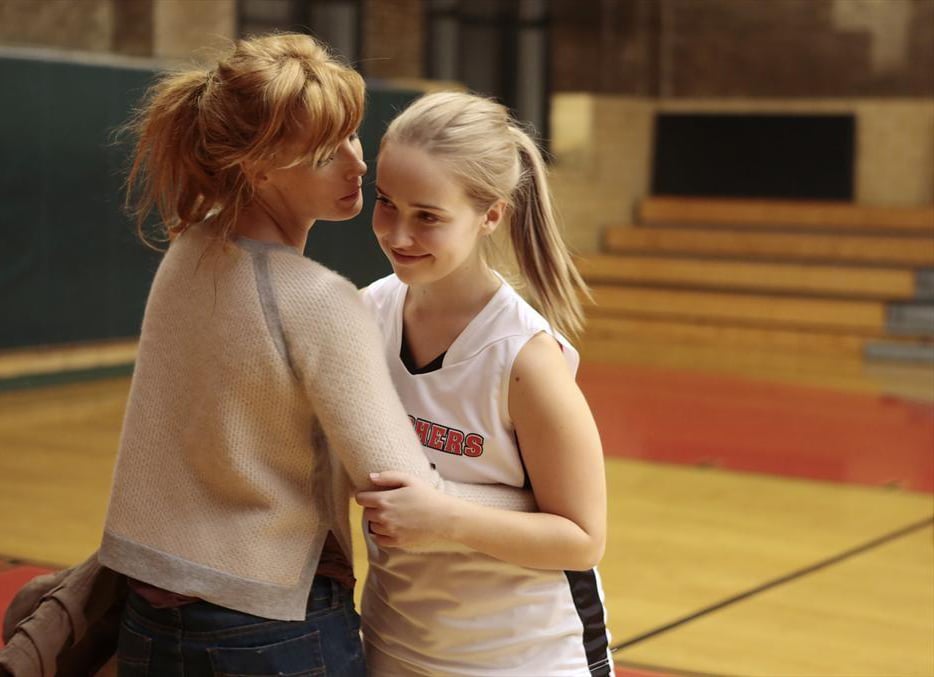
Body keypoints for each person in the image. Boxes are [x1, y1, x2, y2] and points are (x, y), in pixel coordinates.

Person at [97, 35, 533, 677]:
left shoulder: (188, 251)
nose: (357, 166)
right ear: (259, 167)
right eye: (326, 153)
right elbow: (401, 496)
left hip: (145, 617)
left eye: (353, 136)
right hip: (268, 628)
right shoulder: (321, 300)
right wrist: (535, 507)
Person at [356, 91, 613, 676]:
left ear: (490, 215)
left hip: (524, 656)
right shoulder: (366, 314)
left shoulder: (523, 358)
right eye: (386, 203)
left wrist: (443, 516)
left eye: (427, 216)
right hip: (393, 645)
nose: (398, 234)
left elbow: (582, 538)